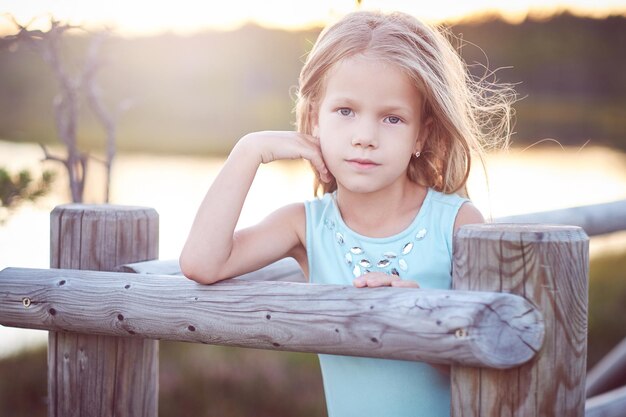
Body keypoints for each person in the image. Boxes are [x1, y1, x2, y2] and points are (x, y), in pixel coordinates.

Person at [180, 10, 514, 417]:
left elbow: (496, 354)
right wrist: (249, 150)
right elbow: (201, 262)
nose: (364, 137)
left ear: (421, 135)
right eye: (345, 112)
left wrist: (425, 318)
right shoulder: (305, 225)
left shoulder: (459, 223)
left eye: (392, 118)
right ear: (315, 117)